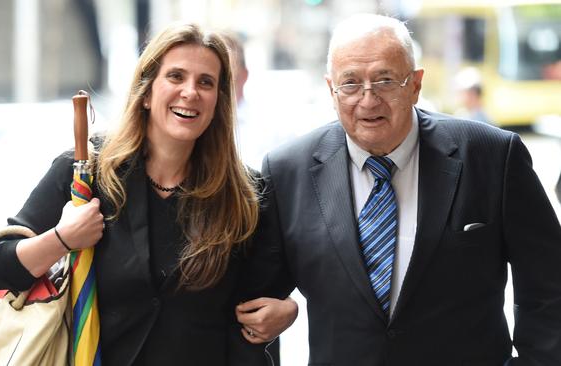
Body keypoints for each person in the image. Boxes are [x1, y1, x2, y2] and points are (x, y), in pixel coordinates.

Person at [239, 13, 561, 364]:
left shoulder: (492, 155)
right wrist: (283, 312)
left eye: (385, 80)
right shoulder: (288, 170)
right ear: (331, 90)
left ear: (416, 84)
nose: (368, 99)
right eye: (350, 83)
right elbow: (257, 300)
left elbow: (549, 286)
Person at [0, 22, 293, 366]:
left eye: (206, 82)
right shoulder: (85, 172)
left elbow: (262, 311)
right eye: (176, 76)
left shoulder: (245, 195)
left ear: (218, 102)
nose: (190, 92)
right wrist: (61, 238)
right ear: (146, 92)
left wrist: (286, 312)